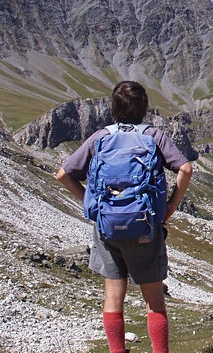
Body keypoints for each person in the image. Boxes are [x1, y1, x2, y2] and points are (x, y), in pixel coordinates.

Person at [56, 81, 193, 353]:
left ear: (113, 107)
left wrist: (91, 203)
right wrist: (170, 207)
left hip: (107, 227)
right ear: (143, 108)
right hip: (144, 226)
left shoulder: (101, 137)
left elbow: (63, 174)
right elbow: (185, 169)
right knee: (154, 298)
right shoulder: (153, 136)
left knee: (113, 296)